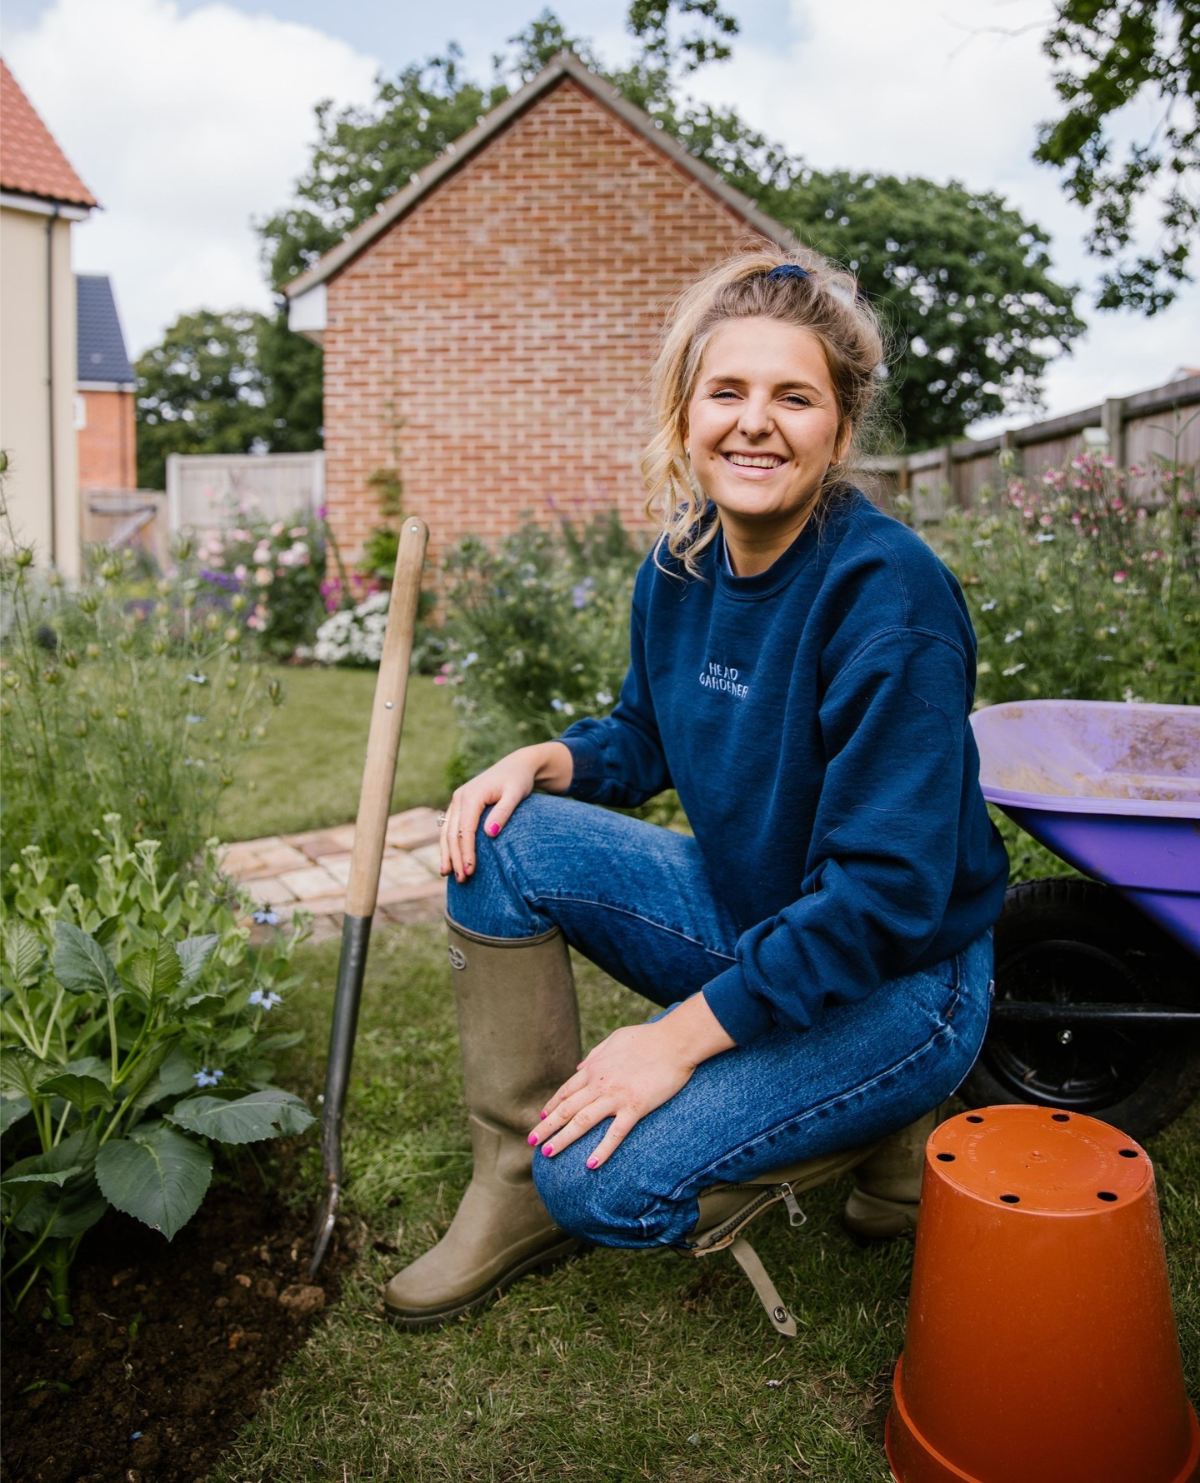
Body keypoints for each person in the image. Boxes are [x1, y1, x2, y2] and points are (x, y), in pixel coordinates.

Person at [384, 246, 1009, 1330]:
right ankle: (513, 1183)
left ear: (840, 431)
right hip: (759, 909)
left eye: (794, 396)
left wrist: (673, 1039)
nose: (755, 422)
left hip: (906, 975)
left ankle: (894, 1107)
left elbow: (881, 900)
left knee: (608, 1185)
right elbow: (643, 734)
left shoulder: (888, 597)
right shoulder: (680, 565)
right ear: (686, 414)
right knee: (504, 833)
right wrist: (544, 761)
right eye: (727, 390)